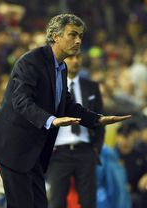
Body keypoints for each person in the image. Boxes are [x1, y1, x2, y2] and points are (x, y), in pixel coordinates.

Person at [0, 13, 131, 208]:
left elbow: (67, 105)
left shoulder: (61, 67)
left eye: (80, 35)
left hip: (32, 150)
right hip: (12, 145)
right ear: (55, 36)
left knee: (39, 204)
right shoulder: (31, 61)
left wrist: (97, 120)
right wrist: (50, 120)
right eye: (72, 34)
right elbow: (20, 101)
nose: (78, 40)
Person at [46, 52, 105, 208]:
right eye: (71, 57)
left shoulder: (92, 87)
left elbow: (99, 120)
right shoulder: (51, 86)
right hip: (58, 152)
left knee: (88, 202)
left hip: (85, 150)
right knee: (56, 202)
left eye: (78, 57)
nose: (75, 61)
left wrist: (96, 149)